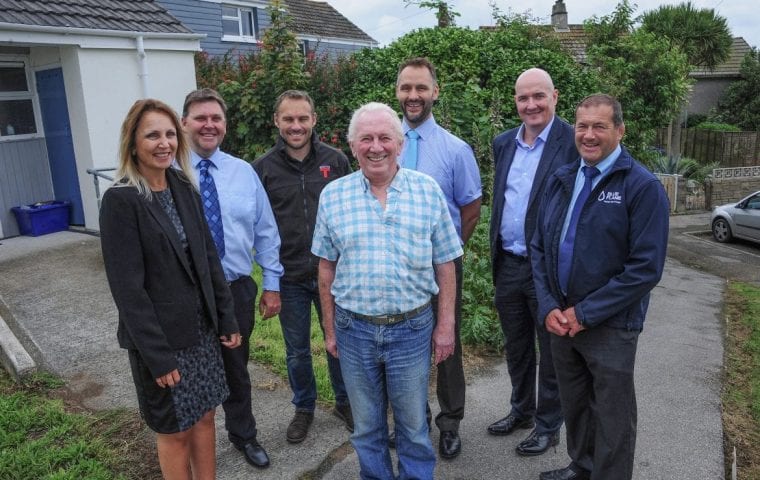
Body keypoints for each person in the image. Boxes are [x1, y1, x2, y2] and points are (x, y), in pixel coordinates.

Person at [312, 102, 463, 480]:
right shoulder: (333, 195)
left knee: (412, 427)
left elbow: (446, 264)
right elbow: (326, 266)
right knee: (366, 428)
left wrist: (446, 327)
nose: (375, 146)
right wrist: (330, 330)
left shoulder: (427, 191)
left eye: (384, 138)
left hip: (411, 330)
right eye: (366, 138)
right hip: (354, 330)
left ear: (399, 143)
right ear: (352, 145)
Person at [100, 98, 241, 479]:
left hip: (202, 333)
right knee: (175, 429)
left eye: (168, 134)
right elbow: (128, 290)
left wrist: (226, 318)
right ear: (133, 144)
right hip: (163, 342)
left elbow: (209, 258)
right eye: (151, 135)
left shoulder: (183, 184)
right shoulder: (121, 201)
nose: (163, 143)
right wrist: (158, 357)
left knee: (205, 417)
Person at [531, 94, 669, 480]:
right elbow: (540, 246)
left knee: (612, 415)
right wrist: (548, 307)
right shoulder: (561, 178)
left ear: (620, 130)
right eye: (582, 126)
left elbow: (645, 269)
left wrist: (585, 313)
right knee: (575, 404)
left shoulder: (641, 187)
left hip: (610, 325)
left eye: (599, 127)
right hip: (561, 320)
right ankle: (582, 466)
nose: (588, 135)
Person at [181, 88, 283, 468]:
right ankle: (190, 439)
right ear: (184, 123)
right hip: (186, 293)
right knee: (189, 370)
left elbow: (266, 232)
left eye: (216, 118)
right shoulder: (168, 172)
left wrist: (272, 284)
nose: (209, 125)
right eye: (201, 118)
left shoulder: (244, 173)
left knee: (235, 368)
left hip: (235, 289)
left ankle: (244, 435)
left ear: (225, 125)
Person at [253, 90, 353, 443]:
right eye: (288, 119)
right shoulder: (262, 169)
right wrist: (270, 280)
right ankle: (304, 408)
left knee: (339, 341)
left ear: (314, 120)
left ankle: (346, 402)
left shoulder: (337, 161)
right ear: (277, 122)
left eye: (302, 118)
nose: (296, 126)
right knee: (296, 350)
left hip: (335, 273)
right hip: (290, 276)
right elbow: (259, 228)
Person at [394, 57, 482, 459]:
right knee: (400, 347)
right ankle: (413, 421)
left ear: (435, 92)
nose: (413, 96)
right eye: (406, 88)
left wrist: (444, 252)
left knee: (445, 344)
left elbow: (471, 209)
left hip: (439, 265)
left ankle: (450, 422)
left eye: (421, 88)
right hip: (393, 267)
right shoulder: (383, 141)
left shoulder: (455, 150)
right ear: (398, 91)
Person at [487, 68, 577, 456]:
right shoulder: (503, 143)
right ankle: (521, 410)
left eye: (538, 96)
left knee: (552, 351)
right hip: (508, 263)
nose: (531, 105)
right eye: (523, 98)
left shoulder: (573, 141)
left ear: (554, 96)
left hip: (548, 271)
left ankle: (547, 425)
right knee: (517, 346)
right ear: (515, 101)